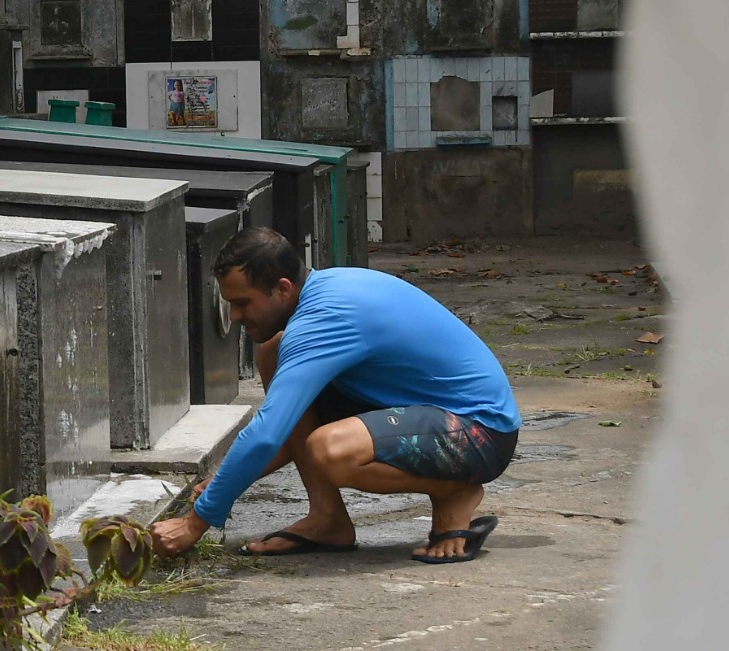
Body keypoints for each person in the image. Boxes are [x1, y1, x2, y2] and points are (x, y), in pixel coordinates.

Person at [150, 228, 522, 564]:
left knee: (331, 450)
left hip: (480, 431)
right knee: (273, 352)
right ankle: (327, 519)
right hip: (427, 412)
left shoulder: (324, 320)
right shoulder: (323, 288)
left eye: (243, 303)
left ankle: (454, 491)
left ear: (282, 288)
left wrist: (195, 522)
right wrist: (222, 482)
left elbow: (267, 433)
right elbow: (285, 432)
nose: (233, 316)